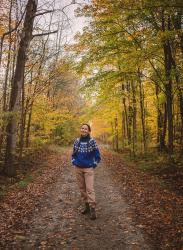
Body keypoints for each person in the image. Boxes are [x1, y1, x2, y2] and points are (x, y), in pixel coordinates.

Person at [71, 123, 101, 220]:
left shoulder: (92, 141)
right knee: (82, 189)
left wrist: (94, 164)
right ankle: (86, 206)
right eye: (82, 128)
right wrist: (73, 161)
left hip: (88, 169)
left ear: (88, 131)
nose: (83, 130)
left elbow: (97, 155)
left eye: (86, 129)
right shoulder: (77, 141)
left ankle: (93, 209)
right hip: (78, 168)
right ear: (81, 130)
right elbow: (73, 154)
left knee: (90, 189)